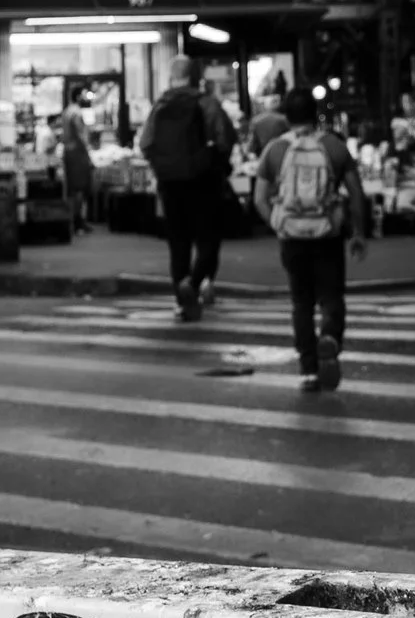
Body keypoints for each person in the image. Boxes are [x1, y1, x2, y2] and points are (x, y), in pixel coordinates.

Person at [252, 89, 370, 391]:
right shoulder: (334, 146)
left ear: (286, 116)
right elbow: (356, 193)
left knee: (301, 302)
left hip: (292, 237)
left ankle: (308, 369)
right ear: (316, 114)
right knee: (331, 296)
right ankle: (329, 335)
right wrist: (357, 232)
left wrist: (278, 223)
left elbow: (260, 198)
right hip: (327, 234)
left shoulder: (275, 150)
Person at [137, 56, 238, 321]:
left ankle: (182, 301)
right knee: (208, 238)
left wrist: (163, 166)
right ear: (195, 78)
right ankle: (193, 283)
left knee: (178, 243)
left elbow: (145, 144)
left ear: (171, 78)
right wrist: (213, 160)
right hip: (203, 180)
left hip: (169, 184)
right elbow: (226, 138)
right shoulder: (206, 103)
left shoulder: (160, 105)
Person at [56, 107, 95, 235]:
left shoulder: (67, 112)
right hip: (77, 155)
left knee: (73, 190)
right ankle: (77, 222)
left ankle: (75, 220)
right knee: (79, 189)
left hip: (71, 154)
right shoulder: (75, 113)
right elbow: (80, 134)